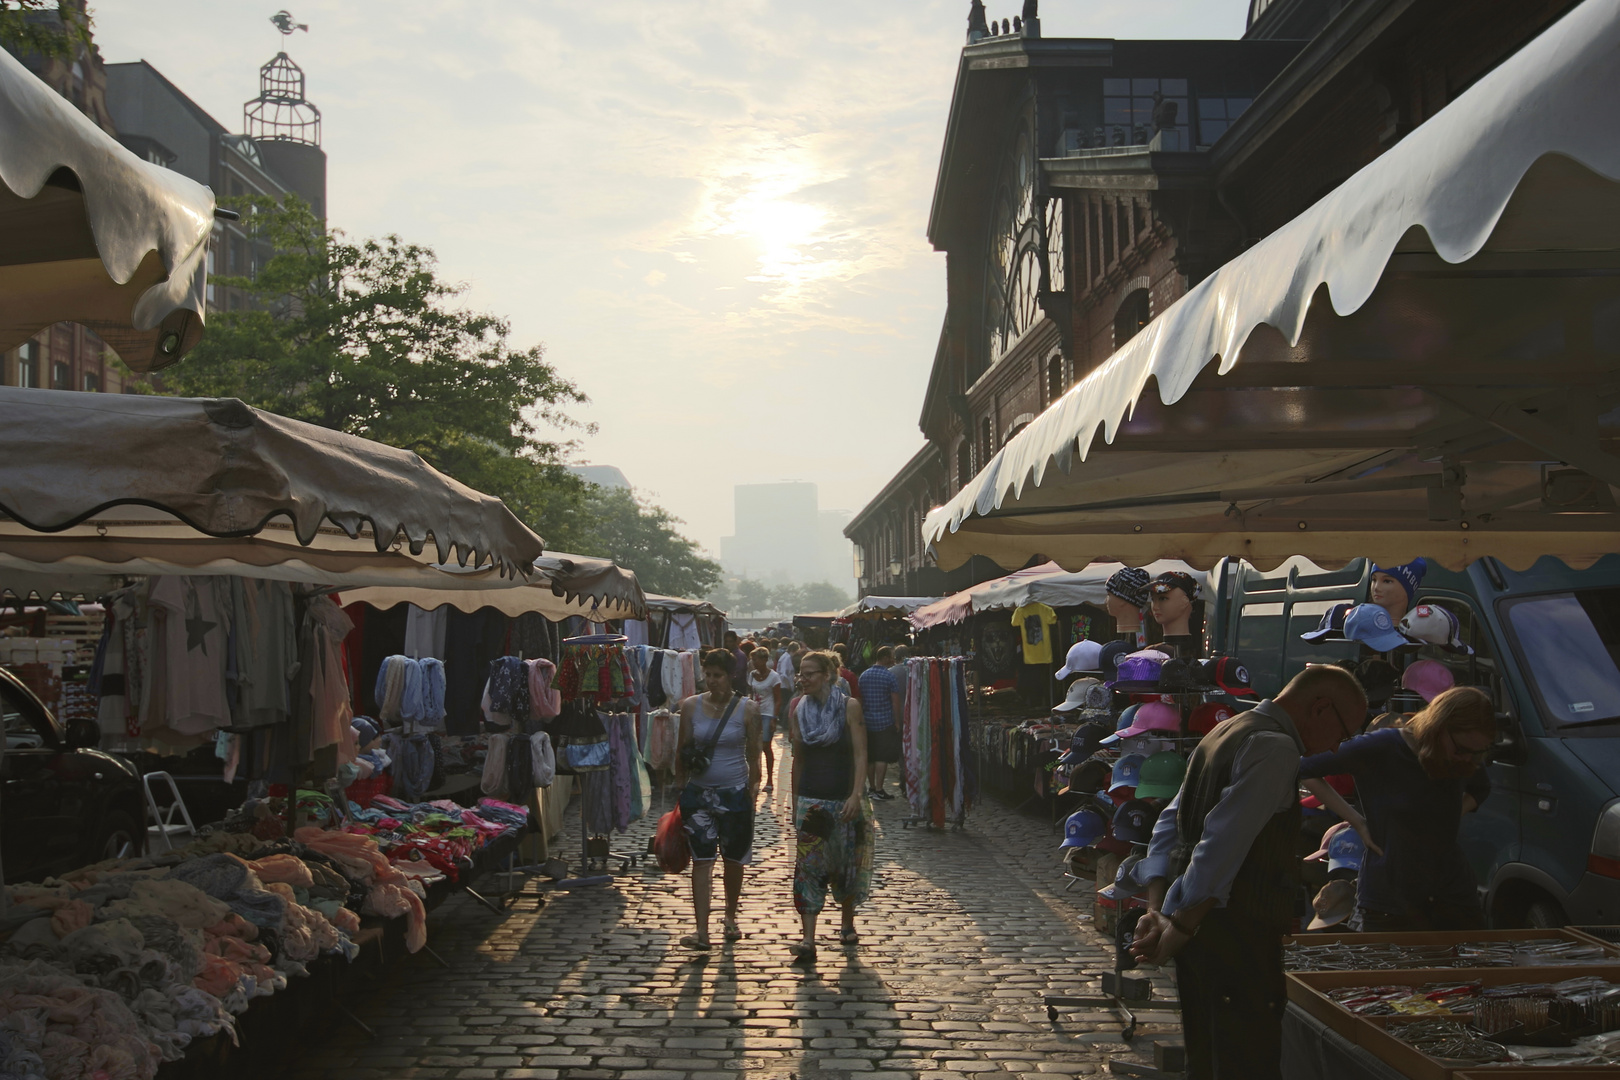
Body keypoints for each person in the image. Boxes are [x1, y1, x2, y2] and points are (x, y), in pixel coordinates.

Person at [1132, 665, 1367, 1080]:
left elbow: (1172, 825)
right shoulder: (1276, 748)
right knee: (1242, 1060)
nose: (1336, 746)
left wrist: (1157, 909)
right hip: (1235, 933)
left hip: (1205, 931)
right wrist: (1178, 925)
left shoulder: (1229, 729)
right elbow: (1221, 845)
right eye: (1343, 732)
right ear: (1321, 708)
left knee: (1207, 1057)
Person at [1298, 686, 1493, 932]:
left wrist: (1449, 816)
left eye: (1477, 754)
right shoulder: (1383, 747)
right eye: (1462, 750)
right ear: (1440, 727)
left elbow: (1481, 788)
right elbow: (1305, 768)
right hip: (1389, 898)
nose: (1467, 759)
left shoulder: (1468, 753)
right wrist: (1357, 821)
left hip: (1453, 894)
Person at [786, 649, 873, 963]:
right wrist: (795, 802)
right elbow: (799, 759)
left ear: (827, 675)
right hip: (811, 799)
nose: (802, 679)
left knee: (845, 864)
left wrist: (856, 795)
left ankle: (847, 923)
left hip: (843, 800)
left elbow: (862, 754)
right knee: (808, 870)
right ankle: (808, 939)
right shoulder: (798, 710)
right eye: (801, 673)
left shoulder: (849, 707)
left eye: (809, 673)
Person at [674, 649, 763, 950]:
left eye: (718, 675)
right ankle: (701, 930)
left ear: (731, 676)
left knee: (733, 860)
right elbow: (683, 749)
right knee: (702, 860)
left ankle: (730, 915)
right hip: (698, 795)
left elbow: (754, 754)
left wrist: (752, 789)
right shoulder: (690, 706)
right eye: (708, 675)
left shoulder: (748, 709)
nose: (712, 681)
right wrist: (679, 788)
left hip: (734, 793)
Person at [856, 646, 903, 799]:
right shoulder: (889, 677)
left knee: (870, 756)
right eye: (891, 656)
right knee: (881, 757)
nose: (892, 660)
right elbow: (895, 702)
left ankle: (871, 787)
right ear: (884, 657)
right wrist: (897, 721)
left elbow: (860, 699)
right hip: (884, 721)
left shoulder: (863, 675)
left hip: (867, 721)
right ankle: (879, 789)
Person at [745, 646, 786, 793]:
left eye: (755, 660)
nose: (753, 663)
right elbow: (750, 693)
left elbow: (778, 699)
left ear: (764, 660)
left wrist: (774, 718)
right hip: (755, 713)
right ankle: (755, 776)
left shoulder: (774, 677)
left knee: (766, 746)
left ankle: (769, 779)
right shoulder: (752, 675)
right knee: (752, 747)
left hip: (768, 713)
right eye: (752, 660)